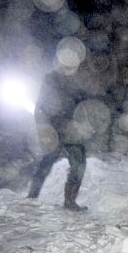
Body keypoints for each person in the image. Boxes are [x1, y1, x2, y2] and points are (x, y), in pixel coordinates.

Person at [27, 69, 90, 211]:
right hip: (54, 130)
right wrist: (43, 128)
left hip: (73, 132)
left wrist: (83, 126)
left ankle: (70, 201)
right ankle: (31, 197)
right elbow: (40, 106)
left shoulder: (78, 81)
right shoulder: (51, 79)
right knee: (46, 164)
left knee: (79, 166)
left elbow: (82, 107)